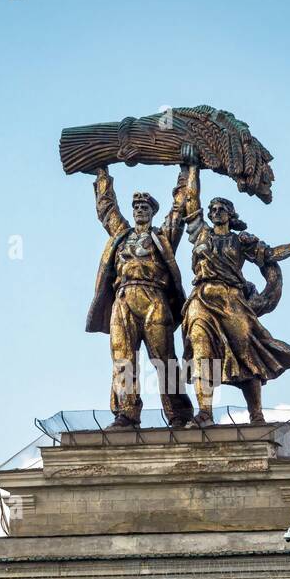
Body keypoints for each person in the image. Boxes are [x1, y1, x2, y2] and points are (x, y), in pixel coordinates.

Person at [178, 161, 290, 426]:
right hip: (201, 298)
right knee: (201, 351)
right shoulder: (200, 234)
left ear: (230, 214)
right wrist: (192, 170)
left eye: (221, 208)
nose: (215, 212)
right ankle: (204, 413)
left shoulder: (241, 241)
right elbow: (190, 201)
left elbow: (270, 255)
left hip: (232, 300)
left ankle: (256, 413)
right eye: (212, 209)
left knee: (246, 352)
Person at [84, 158, 195, 428]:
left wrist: (187, 170)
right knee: (122, 357)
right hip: (123, 299)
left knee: (164, 358)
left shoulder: (163, 236)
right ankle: (127, 412)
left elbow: (179, 208)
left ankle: (178, 414)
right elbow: (107, 210)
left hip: (154, 299)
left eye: (145, 207)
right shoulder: (121, 235)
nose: (140, 211)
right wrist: (102, 174)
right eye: (136, 207)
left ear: (152, 212)